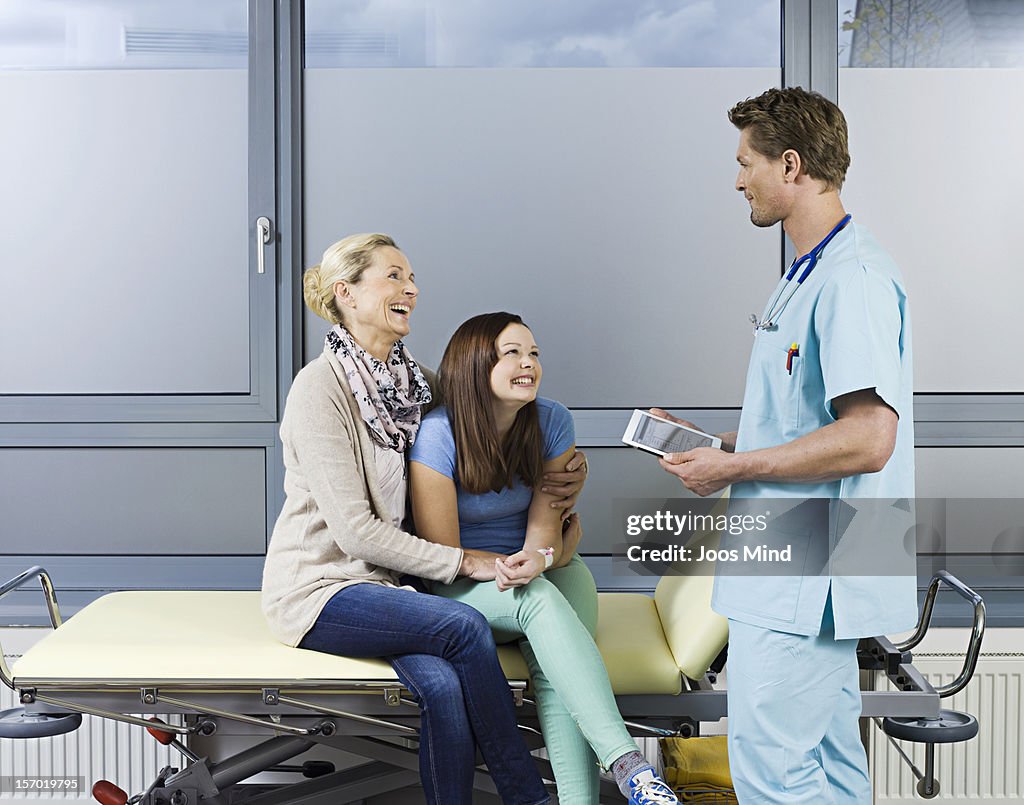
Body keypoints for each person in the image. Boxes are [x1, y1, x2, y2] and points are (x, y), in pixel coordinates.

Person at [654, 87, 917, 803]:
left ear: (791, 165)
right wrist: (716, 443)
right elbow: (811, 422)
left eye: (746, 162)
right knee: (829, 765)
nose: (737, 178)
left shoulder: (852, 279)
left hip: (810, 564)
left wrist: (734, 466)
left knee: (771, 770)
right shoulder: (808, 272)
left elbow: (870, 438)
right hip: (804, 555)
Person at [262, 233, 587, 805]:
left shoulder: (419, 385)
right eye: (393, 276)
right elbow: (355, 532)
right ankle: (527, 795)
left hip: (398, 585)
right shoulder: (319, 390)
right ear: (348, 293)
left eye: (411, 277)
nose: (411, 288)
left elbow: (488, 451)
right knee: (463, 628)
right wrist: (468, 561)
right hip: (324, 588)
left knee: (440, 686)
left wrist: (561, 479)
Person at [409, 312, 681, 805]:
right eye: (511, 353)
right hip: (461, 580)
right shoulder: (438, 434)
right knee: (537, 599)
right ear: (475, 365)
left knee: (558, 673)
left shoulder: (552, 419)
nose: (528, 364)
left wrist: (542, 555)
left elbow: (547, 516)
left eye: (533, 353)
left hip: (544, 565)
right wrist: (523, 565)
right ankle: (628, 762)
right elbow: (442, 551)